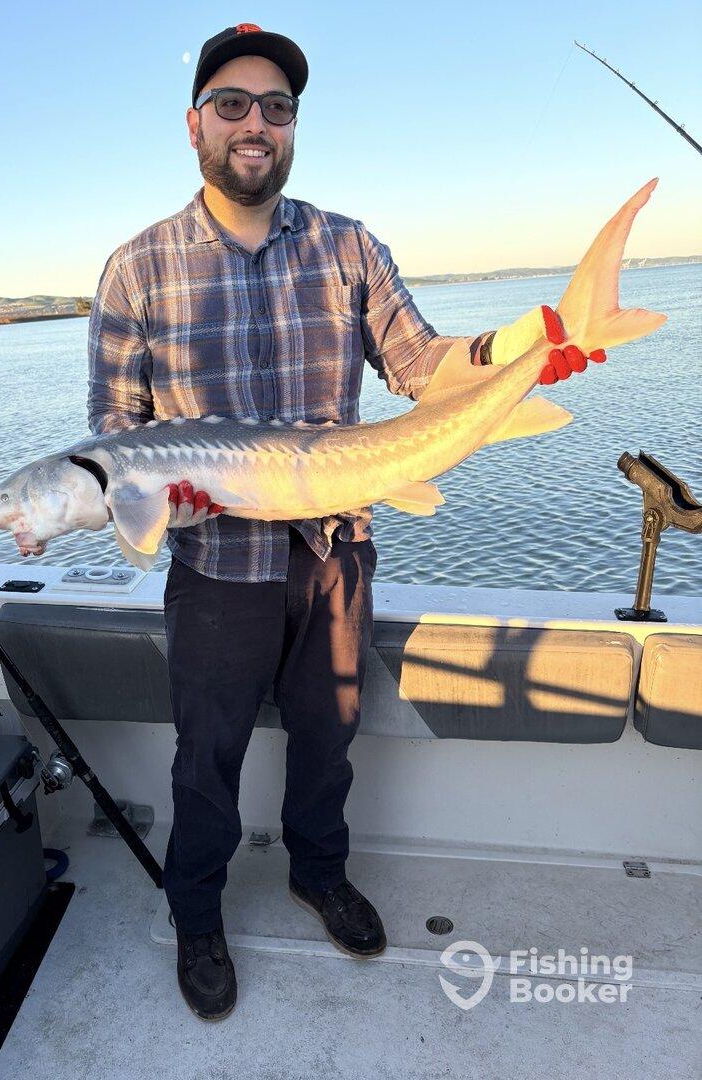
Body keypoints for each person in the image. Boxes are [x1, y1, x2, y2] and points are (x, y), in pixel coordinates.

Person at [87, 24, 607, 1022]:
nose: (256, 124)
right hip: (217, 567)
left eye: (277, 107)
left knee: (330, 740)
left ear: (292, 129)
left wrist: (531, 344)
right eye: (234, 104)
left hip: (335, 555)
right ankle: (196, 915)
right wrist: (157, 487)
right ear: (194, 124)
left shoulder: (348, 245)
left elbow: (423, 365)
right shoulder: (134, 270)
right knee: (205, 762)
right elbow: (116, 434)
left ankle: (316, 873)